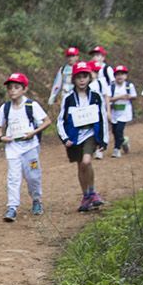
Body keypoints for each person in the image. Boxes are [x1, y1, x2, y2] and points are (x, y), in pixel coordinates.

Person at [56, 62, 109, 212]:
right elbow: (60, 120)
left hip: (91, 134)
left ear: (89, 78)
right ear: (73, 79)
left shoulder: (96, 97)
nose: (82, 80)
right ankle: (86, 196)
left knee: (86, 161)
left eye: (85, 76)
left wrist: (104, 139)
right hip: (74, 137)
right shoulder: (68, 98)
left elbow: (103, 117)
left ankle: (93, 192)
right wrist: (65, 138)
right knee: (80, 165)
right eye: (78, 77)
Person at [0, 73, 48, 220]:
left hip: (30, 147)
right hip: (12, 147)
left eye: (17, 87)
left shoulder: (32, 106)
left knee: (33, 176)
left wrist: (33, 132)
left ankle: (37, 200)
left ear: (24, 89)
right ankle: (12, 207)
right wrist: (1, 137)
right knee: (13, 177)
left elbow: (46, 121)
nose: (12, 91)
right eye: (10, 88)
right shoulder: (5, 108)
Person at [108, 65, 138, 156]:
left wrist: (129, 97)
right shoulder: (112, 86)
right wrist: (119, 97)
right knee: (114, 131)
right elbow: (108, 99)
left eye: (122, 74)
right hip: (114, 111)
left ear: (126, 76)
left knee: (119, 130)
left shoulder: (129, 86)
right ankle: (124, 141)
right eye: (117, 74)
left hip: (125, 112)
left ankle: (116, 149)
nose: (120, 76)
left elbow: (134, 96)